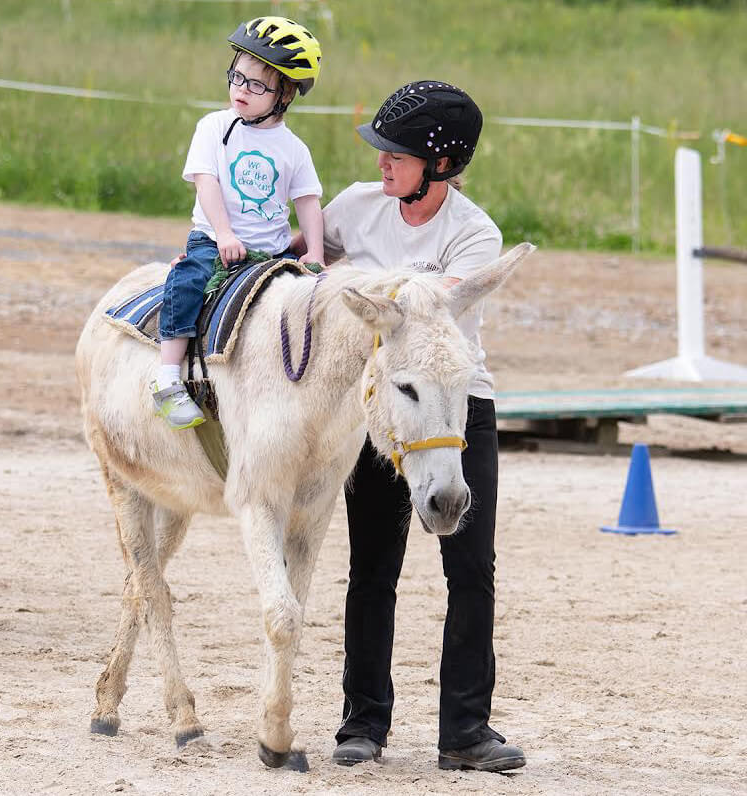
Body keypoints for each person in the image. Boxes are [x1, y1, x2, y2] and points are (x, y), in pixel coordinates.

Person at [296, 81, 526, 772]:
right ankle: (361, 724)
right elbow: (301, 257)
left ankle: (466, 733)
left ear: (441, 165)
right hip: (381, 412)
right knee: (370, 570)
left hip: (457, 411)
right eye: (382, 150)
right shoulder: (354, 210)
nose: (381, 164)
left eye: (395, 153)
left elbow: (438, 314)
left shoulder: (473, 232)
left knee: (471, 571)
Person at [152, 16, 325, 429]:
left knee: (304, 304)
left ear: (284, 95)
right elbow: (206, 182)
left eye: (256, 85)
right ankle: (167, 379)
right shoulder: (214, 127)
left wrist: (315, 253)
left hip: (271, 251)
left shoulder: (294, 149)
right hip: (216, 240)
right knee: (189, 282)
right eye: (237, 77)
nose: (240, 90)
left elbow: (308, 201)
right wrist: (225, 233)